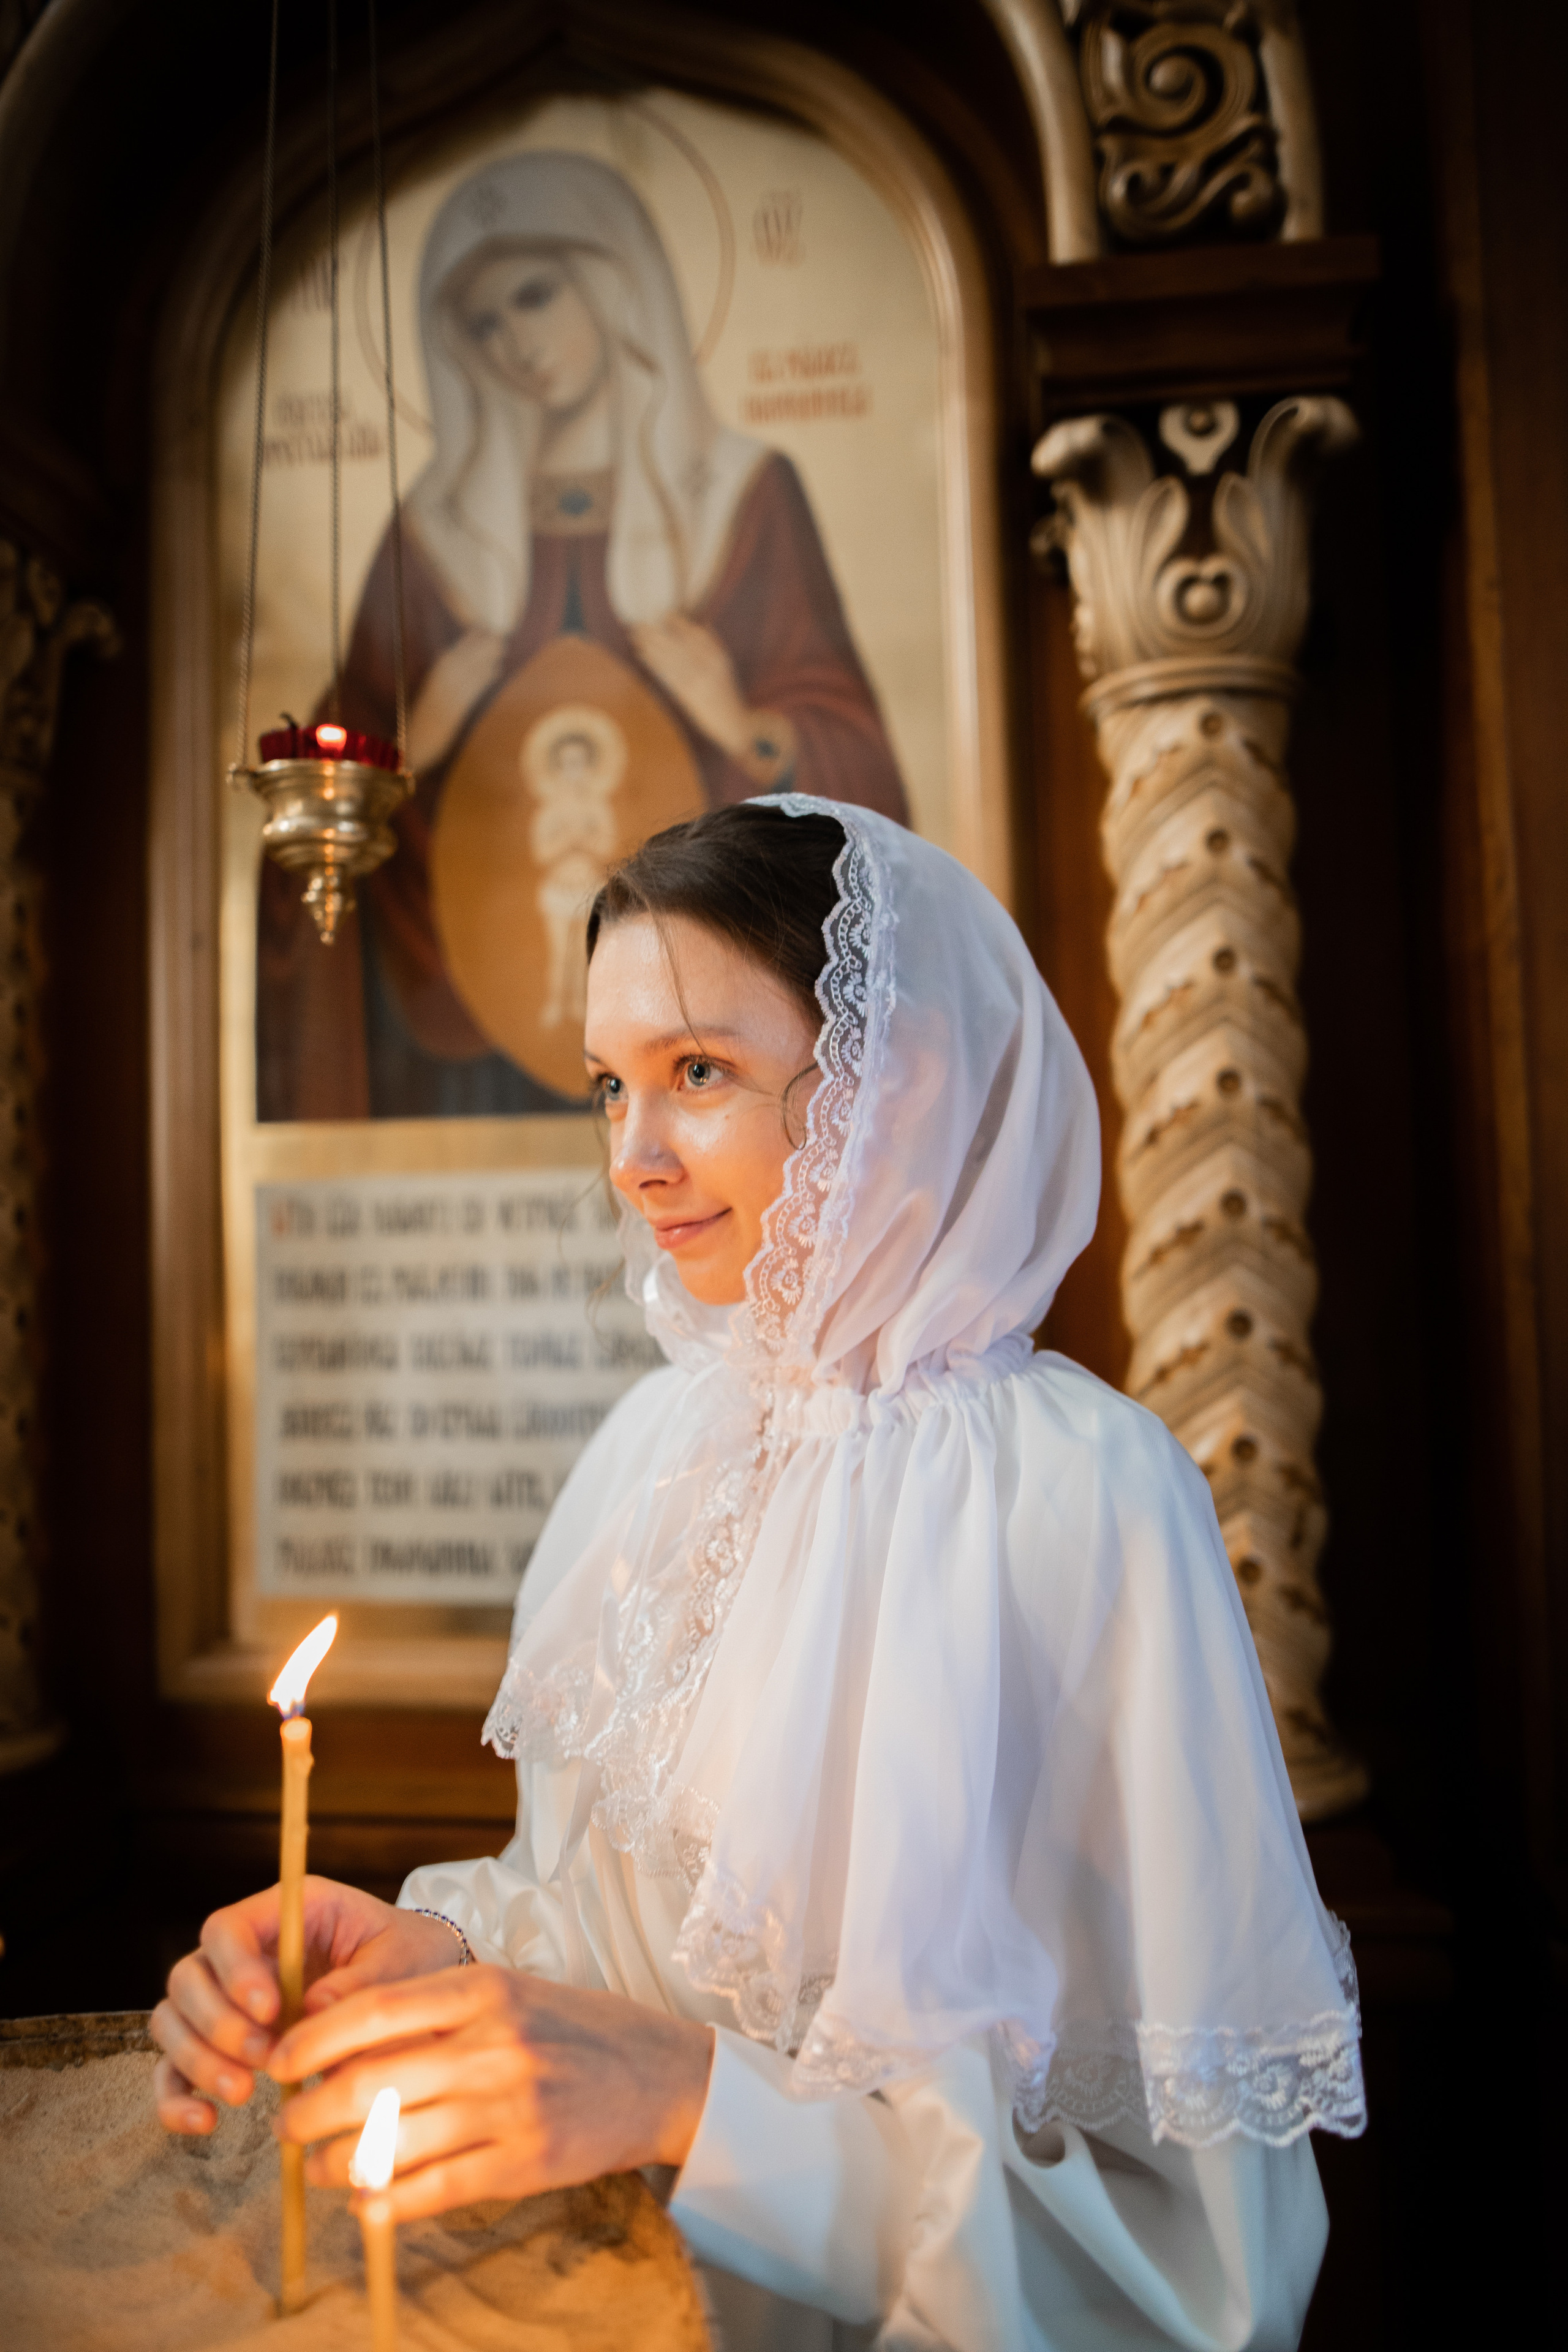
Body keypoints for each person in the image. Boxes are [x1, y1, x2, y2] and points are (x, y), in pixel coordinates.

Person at [165, 797, 1364, 2348]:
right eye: (609, 1088)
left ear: (894, 1077)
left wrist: (699, 2109)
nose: (636, 1160)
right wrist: (438, 1960)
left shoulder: (1084, 1494)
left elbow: (1205, 2270)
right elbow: (600, 1931)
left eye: (699, 1074)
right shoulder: (652, 1456)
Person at [257, 153, 909, 1123]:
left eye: (534, 295)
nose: (516, 342)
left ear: (613, 282)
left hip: (715, 1053)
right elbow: (325, 802)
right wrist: (411, 751)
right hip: (463, 1041)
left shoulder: (741, 497)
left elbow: (869, 797)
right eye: (483, 322)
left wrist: (746, 722)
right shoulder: (433, 535)